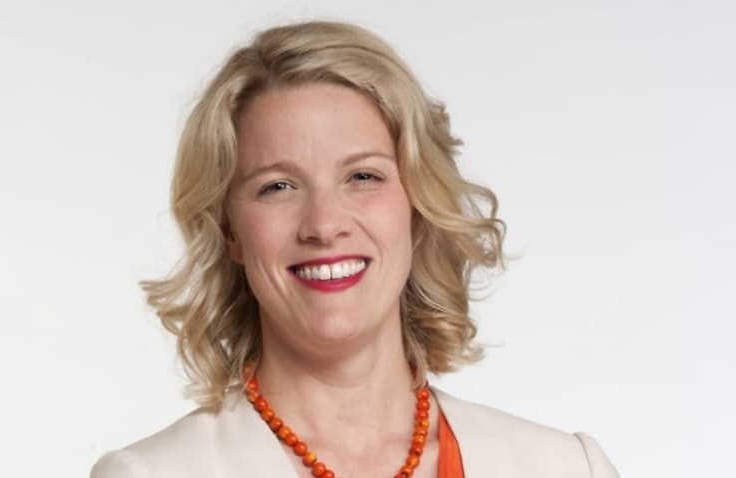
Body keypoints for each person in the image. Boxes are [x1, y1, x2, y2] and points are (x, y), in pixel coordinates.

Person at [91, 20, 619, 478]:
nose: (324, 225)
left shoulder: (567, 468)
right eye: (277, 186)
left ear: (418, 206)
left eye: (363, 176)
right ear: (229, 230)